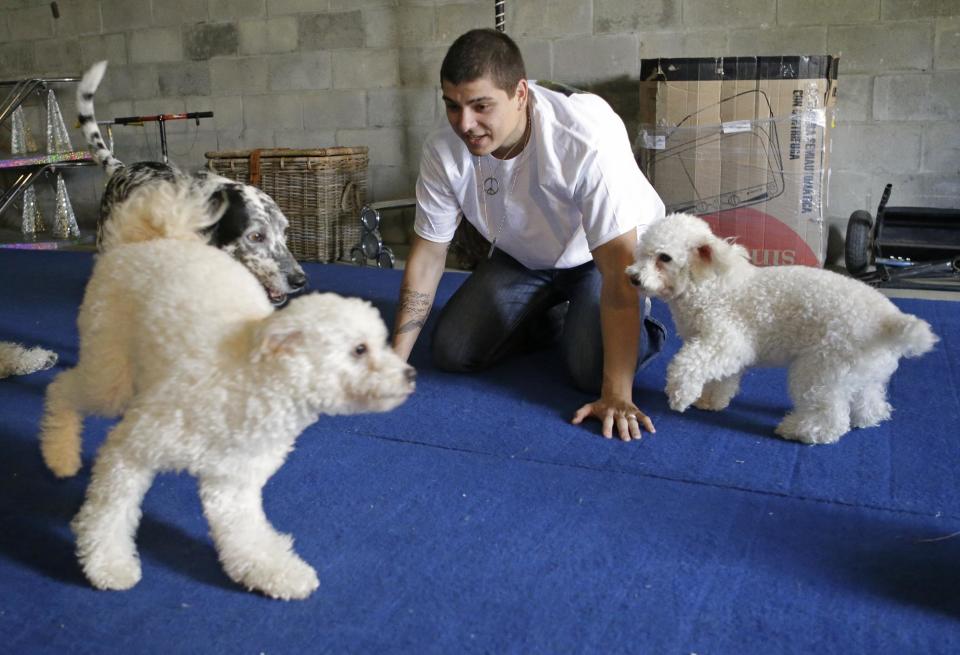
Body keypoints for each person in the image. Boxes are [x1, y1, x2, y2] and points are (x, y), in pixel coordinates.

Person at [391, 28, 666, 442]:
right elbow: (429, 255)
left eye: (481, 106)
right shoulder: (442, 150)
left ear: (520, 94)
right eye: (453, 106)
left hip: (601, 255)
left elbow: (618, 269)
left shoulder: (582, 137)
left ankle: (640, 327)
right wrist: (395, 362)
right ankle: (556, 315)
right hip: (524, 254)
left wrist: (617, 394)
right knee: (452, 351)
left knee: (590, 372)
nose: (466, 124)